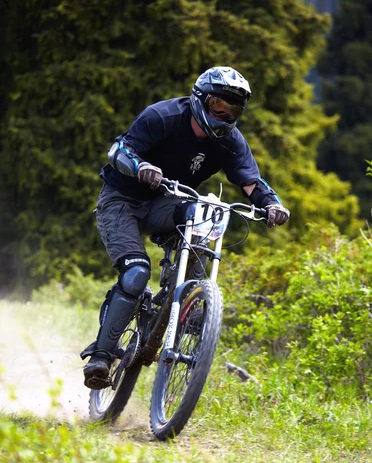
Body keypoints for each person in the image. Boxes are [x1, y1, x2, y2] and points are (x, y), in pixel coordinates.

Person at [81, 66, 290, 389]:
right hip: (121, 200)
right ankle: (102, 356)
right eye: (217, 106)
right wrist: (141, 167)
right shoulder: (162, 117)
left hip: (165, 205)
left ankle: (187, 294)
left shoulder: (231, 143)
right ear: (199, 100)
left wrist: (272, 204)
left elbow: (251, 182)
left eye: (232, 109)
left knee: (202, 214)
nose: (224, 114)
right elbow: (118, 151)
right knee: (136, 274)